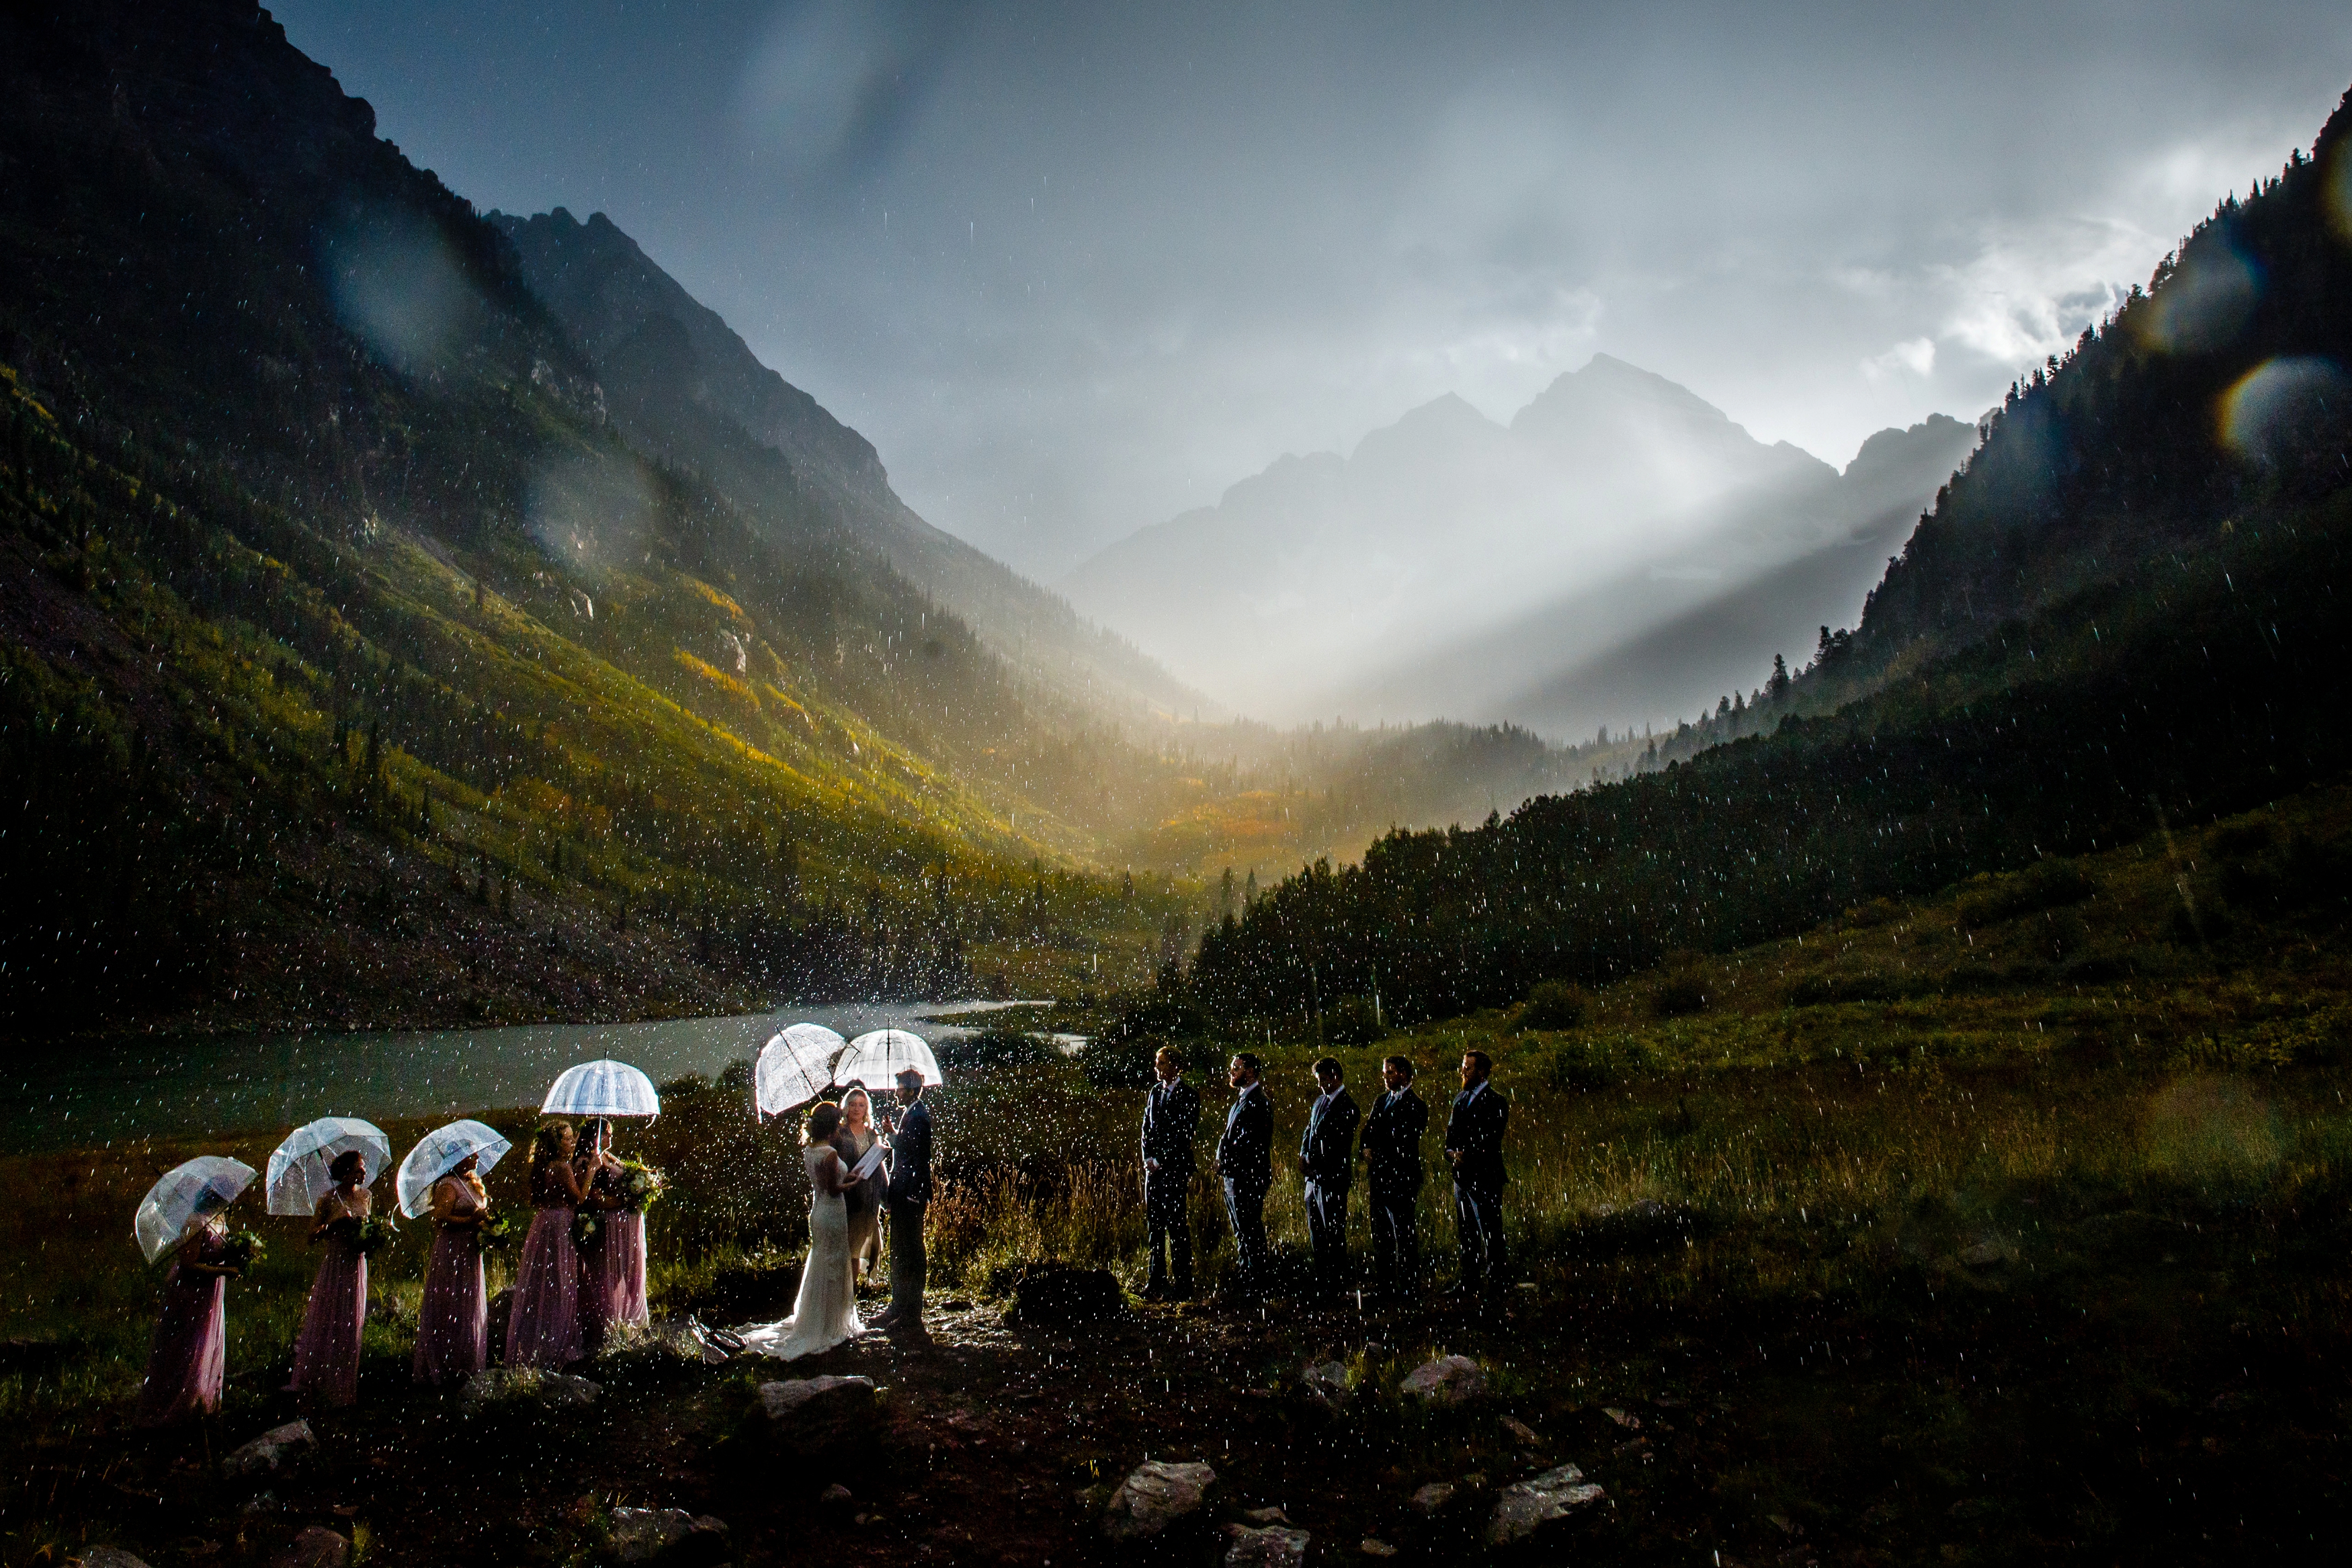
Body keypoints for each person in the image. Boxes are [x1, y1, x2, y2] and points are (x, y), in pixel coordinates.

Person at [739, 1101, 866, 1358]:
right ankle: (830, 1324)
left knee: (822, 1262)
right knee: (833, 1264)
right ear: (833, 1126)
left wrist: (847, 1178)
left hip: (819, 1212)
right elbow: (833, 1189)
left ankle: (821, 1318)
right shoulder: (830, 1153)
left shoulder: (811, 1150)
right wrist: (853, 1184)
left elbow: (824, 1183)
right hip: (831, 1213)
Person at [135, 1192, 241, 1426]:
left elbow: (215, 1251)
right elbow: (189, 1264)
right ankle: (180, 1407)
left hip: (211, 1292)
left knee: (207, 1343)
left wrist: (239, 1253)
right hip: (190, 1292)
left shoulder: (220, 1217)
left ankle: (204, 1402)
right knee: (188, 1346)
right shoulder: (195, 1221)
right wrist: (224, 1271)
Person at [287, 1149, 371, 1407]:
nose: (363, 1173)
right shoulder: (327, 1200)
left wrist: (369, 1235)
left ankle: (344, 1385)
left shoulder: (367, 1196)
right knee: (330, 1318)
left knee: (350, 1322)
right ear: (345, 1173)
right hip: (335, 1264)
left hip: (357, 1263)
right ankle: (320, 1381)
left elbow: (368, 1226)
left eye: (364, 1168)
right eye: (359, 1168)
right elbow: (311, 1237)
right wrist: (331, 1226)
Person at [507, 1121, 592, 1368]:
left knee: (545, 1281)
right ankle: (558, 1342)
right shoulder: (561, 1167)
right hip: (560, 1223)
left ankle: (540, 1340)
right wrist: (592, 1171)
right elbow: (579, 1197)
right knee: (560, 1281)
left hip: (546, 1221)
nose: (573, 1142)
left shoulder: (548, 1166)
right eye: (567, 1138)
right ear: (557, 1143)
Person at [413, 1151, 491, 1385]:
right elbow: (440, 1218)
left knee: (469, 1303)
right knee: (452, 1301)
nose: (477, 1156)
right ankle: (445, 1363)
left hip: (471, 1249)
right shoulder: (448, 1185)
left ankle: (467, 1361)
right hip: (452, 1249)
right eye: (471, 1154)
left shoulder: (473, 1182)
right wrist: (470, 1220)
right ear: (457, 1158)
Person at [1359, 1055, 1429, 1301]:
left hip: (1402, 1177)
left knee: (1404, 1234)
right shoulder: (1381, 1101)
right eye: (1385, 1072)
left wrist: (1379, 1146)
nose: (1386, 1077)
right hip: (1379, 1176)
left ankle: (1409, 1287)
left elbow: (1404, 1139)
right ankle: (1386, 1285)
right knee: (1381, 1234)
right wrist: (1365, 1148)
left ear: (1403, 1074)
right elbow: (1367, 1130)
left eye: (1390, 1072)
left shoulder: (1416, 1105)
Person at [1444, 1050, 1511, 1295]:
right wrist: (1452, 1154)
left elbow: (1491, 1140)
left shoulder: (1496, 1101)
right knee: (1467, 1232)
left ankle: (1497, 1281)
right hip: (1462, 1177)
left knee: (1490, 1231)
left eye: (1468, 1068)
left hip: (1485, 1175)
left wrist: (1466, 1156)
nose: (1463, 1072)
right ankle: (1469, 1280)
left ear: (1481, 1072)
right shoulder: (1460, 1099)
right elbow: (1450, 1135)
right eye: (1463, 1067)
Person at [1139, 1045, 1202, 1300]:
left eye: (1162, 1063)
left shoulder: (1189, 1095)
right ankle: (1156, 1280)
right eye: (1157, 1063)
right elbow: (1146, 1129)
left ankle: (1183, 1284)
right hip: (1153, 1172)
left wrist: (1161, 1159)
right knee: (1154, 1227)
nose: (1157, 1068)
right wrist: (1148, 1158)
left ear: (1176, 1066)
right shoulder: (1155, 1093)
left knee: (1177, 1227)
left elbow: (1183, 1135)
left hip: (1174, 1170)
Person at [872, 1068, 933, 1332]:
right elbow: (907, 1148)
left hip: (910, 1194)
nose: (896, 1091)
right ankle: (899, 1307)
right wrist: (892, 1133)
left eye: (899, 1087)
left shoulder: (918, 1116)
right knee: (900, 1249)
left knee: (909, 1250)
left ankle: (910, 1313)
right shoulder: (912, 1113)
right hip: (904, 1192)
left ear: (909, 1090)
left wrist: (913, 1193)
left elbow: (920, 1159)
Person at [1298, 1056, 1360, 1301]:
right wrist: (1304, 1154)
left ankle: (1337, 1284)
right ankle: (1324, 1282)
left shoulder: (1348, 1107)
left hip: (1332, 1178)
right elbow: (1309, 1130)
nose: (1321, 1085)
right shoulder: (1319, 1102)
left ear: (1336, 1077)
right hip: (1314, 1180)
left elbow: (1336, 1145)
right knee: (1317, 1234)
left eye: (1324, 1080)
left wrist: (1314, 1161)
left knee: (1334, 1233)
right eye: (1318, 1080)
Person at [1213, 1052, 1273, 1301]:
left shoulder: (1258, 1101)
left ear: (1250, 1072)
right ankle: (1247, 1277)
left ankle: (1258, 1284)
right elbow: (1229, 1136)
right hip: (1235, 1176)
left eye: (1236, 1068)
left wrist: (1226, 1159)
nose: (1231, 1072)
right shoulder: (1243, 1099)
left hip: (1248, 1177)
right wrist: (1221, 1158)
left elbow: (1250, 1143)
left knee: (1250, 1230)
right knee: (1241, 1230)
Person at [837, 1087, 886, 1282]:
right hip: (849, 1195)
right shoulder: (840, 1135)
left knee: (859, 1248)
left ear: (866, 1109)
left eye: (861, 1105)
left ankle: (854, 1293)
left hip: (870, 1197)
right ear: (846, 1107)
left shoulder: (872, 1134)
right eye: (852, 1104)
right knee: (849, 1250)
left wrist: (886, 1197)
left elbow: (880, 1168)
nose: (857, 1109)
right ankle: (847, 1293)